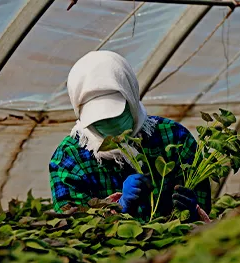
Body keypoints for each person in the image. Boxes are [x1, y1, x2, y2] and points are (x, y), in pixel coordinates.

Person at [49, 51, 210, 221]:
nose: (110, 123)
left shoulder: (175, 137)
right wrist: (119, 207)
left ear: (131, 97)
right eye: (98, 118)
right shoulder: (69, 158)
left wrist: (193, 210)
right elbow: (72, 224)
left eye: (115, 112)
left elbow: (203, 204)